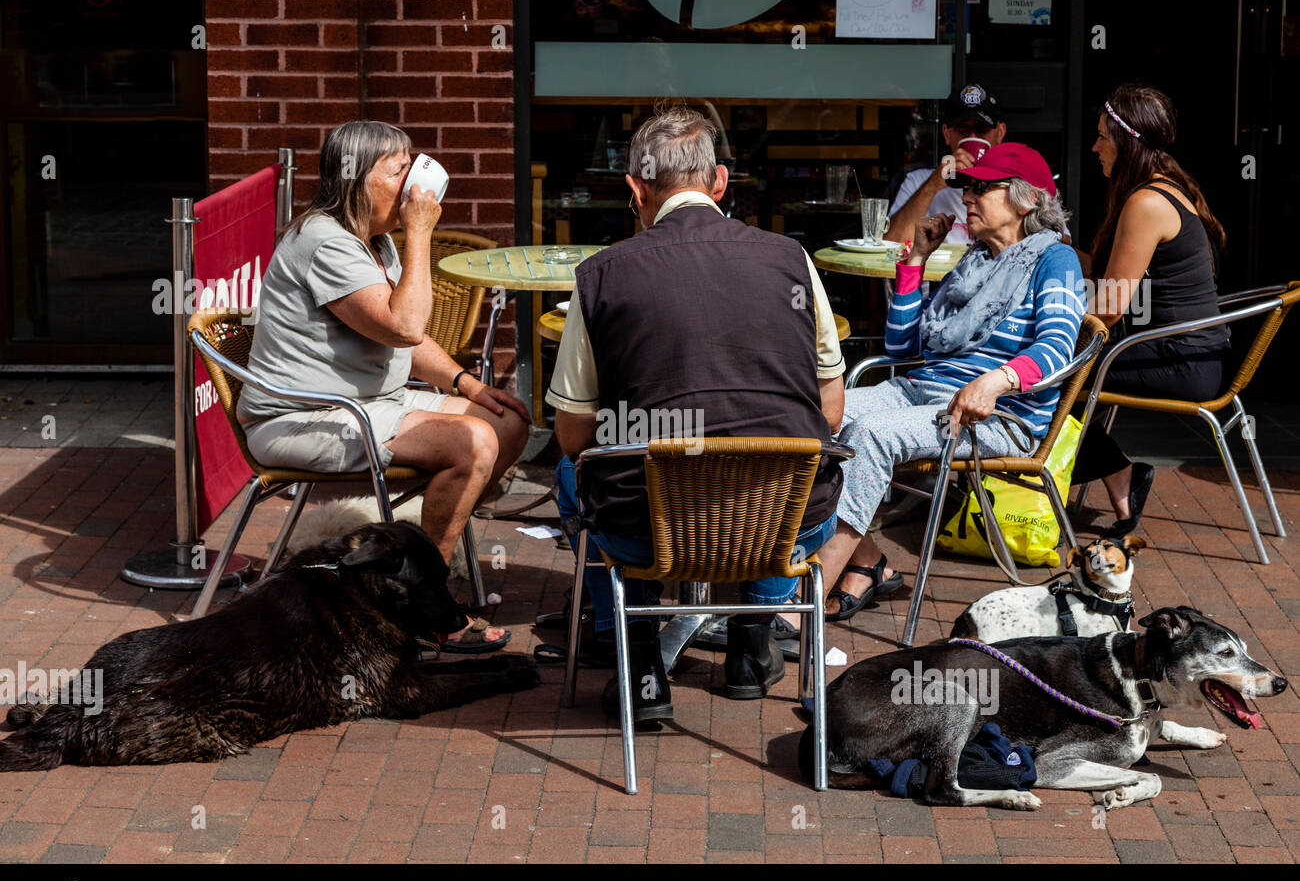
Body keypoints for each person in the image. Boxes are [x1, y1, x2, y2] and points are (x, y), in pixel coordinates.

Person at [547, 106, 846, 723]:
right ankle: (750, 644)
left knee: (572, 476)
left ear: (636, 189)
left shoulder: (600, 276)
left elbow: (574, 435)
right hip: (781, 522)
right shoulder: (793, 260)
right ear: (719, 182)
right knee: (795, 468)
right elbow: (832, 413)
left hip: (646, 525)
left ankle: (638, 664)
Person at [236, 120, 529, 651]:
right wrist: (420, 233)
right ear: (356, 180)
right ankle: (421, 607)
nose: (416, 179)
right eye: (400, 169)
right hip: (307, 418)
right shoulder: (327, 243)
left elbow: (405, 340)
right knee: (473, 444)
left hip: (371, 404)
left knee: (506, 422)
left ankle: (406, 566)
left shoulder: (374, 241)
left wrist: (468, 385)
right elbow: (405, 326)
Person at [821, 143, 1085, 621]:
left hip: (996, 415)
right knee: (812, 420)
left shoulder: (1055, 261)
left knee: (871, 437)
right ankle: (868, 564)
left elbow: (1056, 349)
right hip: (920, 391)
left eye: (982, 188)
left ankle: (799, 610)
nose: (966, 197)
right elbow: (903, 348)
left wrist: (996, 381)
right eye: (967, 187)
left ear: (1026, 200)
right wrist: (918, 260)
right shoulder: (974, 260)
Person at [1073, 83, 1229, 535]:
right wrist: (1056, 249)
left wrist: (1055, 337)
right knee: (1062, 373)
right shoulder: (1164, 188)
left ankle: (1118, 475)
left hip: (1182, 361)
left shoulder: (1145, 202)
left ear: (1127, 143)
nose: (1095, 146)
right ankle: (1117, 481)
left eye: (1103, 136)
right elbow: (1113, 275)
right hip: (1192, 353)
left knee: (1049, 380)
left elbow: (1112, 305)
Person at [885, 84, 1007, 246]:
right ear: (946, 134)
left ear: (1000, 133)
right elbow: (892, 244)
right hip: (935, 271)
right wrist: (932, 185)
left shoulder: (1016, 185)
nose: (972, 136)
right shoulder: (918, 181)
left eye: (981, 130)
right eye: (962, 130)